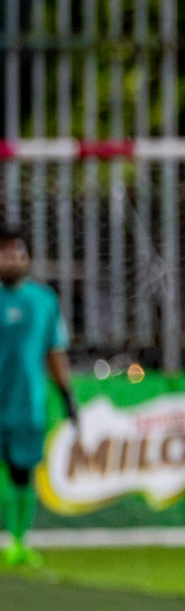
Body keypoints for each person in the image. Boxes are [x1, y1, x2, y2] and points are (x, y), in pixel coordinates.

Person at [0, 225, 76, 568]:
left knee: (22, 473)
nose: (11, 259)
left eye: (17, 252)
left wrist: (68, 397)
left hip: (27, 404)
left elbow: (55, 352)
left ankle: (18, 541)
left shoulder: (45, 301)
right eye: (4, 253)